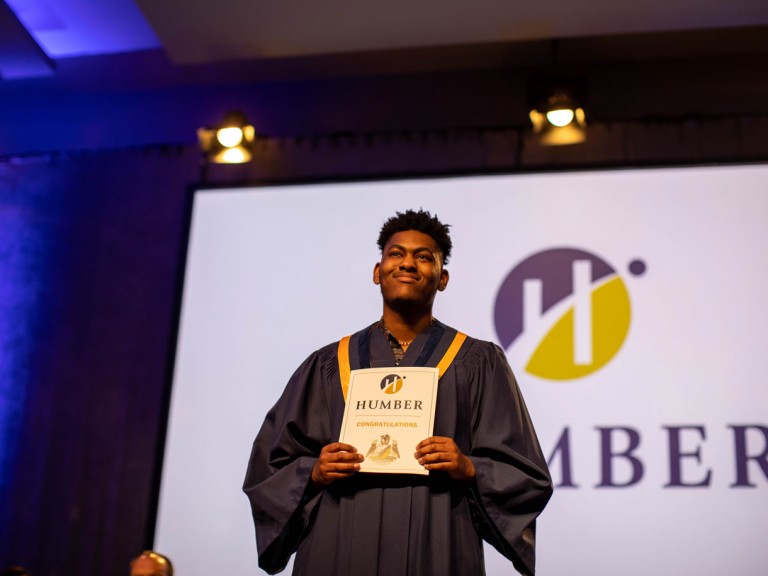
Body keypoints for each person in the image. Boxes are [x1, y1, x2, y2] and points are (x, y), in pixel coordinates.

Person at [243, 209, 552, 575]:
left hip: (437, 538)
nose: (408, 263)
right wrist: (314, 471)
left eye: (424, 257)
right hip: (338, 539)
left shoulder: (478, 362)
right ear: (377, 272)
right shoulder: (327, 363)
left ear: (443, 278)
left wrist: (468, 466)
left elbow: (525, 473)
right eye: (396, 254)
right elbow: (271, 466)